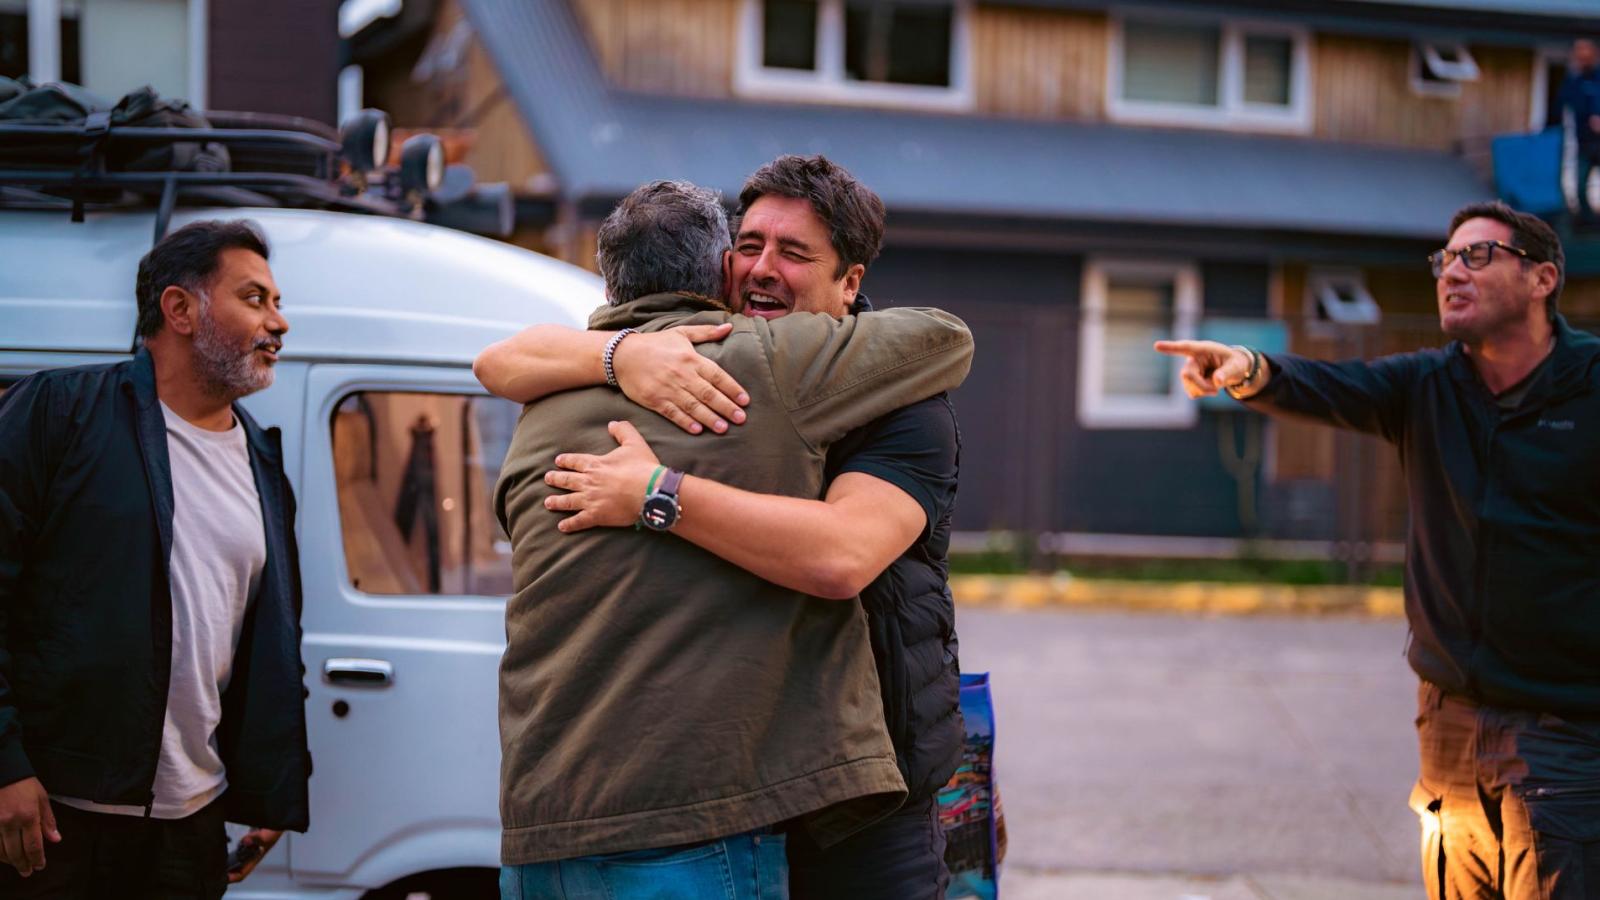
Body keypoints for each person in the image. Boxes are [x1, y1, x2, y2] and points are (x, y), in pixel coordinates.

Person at [480, 155, 968, 899]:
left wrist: (658, 493)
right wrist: (621, 353)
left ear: (851, 282)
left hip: (872, 798)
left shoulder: (904, 402)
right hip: (750, 793)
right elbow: (498, 359)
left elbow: (842, 556)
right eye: (749, 246)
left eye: (794, 253)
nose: (762, 269)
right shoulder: (694, 361)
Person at [1155, 201, 1599, 900]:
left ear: (1543, 278)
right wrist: (1246, 369)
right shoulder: (1429, 385)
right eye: (1444, 260)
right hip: (1449, 728)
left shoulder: (1592, 385)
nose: (1452, 272)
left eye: (1477, 256)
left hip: (1565, 737)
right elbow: (1332, 387)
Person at [0, 219, 310, 898]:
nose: (279, 322)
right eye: (255, 299)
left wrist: (270, 786)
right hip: (55, 819)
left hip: (190, 831)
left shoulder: (263, 464)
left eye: (277, 302)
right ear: (180, 310)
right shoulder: (58, 413)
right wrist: (5, 767)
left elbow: (272, 644)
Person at [1559, 39, 1600, 224]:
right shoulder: (1573, 82)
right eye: (1580, 56)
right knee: (1580, 187)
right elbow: (1559, 105)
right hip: (1584, 144)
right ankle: (1588, 223)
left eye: (1587, 55)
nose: (1583, 59)